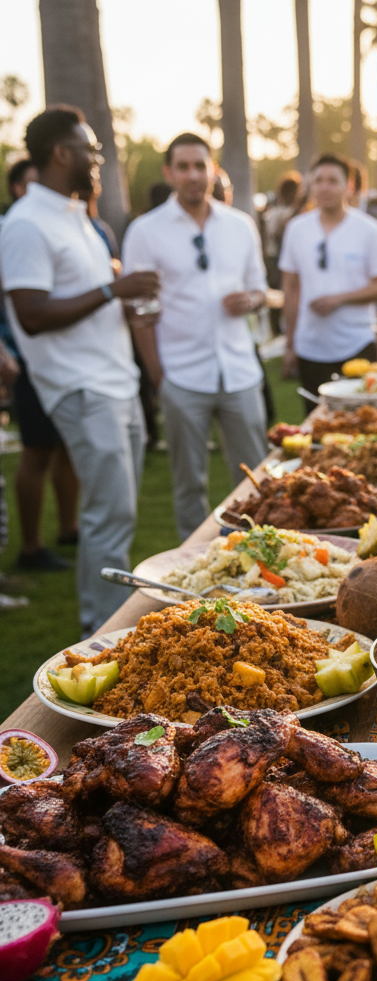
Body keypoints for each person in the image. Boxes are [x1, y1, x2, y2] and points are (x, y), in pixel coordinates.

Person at [0, 105, 159, 635]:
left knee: (119, 515)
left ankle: (107, 623)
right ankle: (99, 636)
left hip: (116, 381)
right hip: (81, 387)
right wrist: (114, 289)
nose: (99, 159)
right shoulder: (25, 223)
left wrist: (122, 301)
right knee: (108, 518)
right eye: (90, 150)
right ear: (60, 153)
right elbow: (32, 312)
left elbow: (85, 299)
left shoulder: (79, 218)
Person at [122, 131, 268, 541]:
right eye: (183, 167)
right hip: (182, 375)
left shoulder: (240, 226)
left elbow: (260, 288)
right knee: (190, 485)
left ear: (213, 170)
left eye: (200, 166)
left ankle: (267, 554)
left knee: (257, 482)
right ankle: (196, 567)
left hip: (240, 371)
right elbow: (140, 313)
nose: (193, 175)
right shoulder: (145, 231)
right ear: (169, 173)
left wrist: (251, 300)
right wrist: (159, 377)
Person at [0, 158, 79, 572]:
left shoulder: (66, 221)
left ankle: (69, 527)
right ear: (18, 189)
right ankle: (30, 547)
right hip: (25, 357)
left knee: (66, 447)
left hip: (66, 360)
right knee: (37, 450)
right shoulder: (15, 228)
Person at [279, 154, 377, 413]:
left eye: (333, 181)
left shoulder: (368, 229)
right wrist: (290, 345)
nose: (325, 187)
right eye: (318, 181)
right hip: (311, 348)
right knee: (317, 427)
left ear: (349, 186)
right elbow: (290, 288)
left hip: (357, 345)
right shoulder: (297, 229)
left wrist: (338, 299)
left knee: (362, 423)